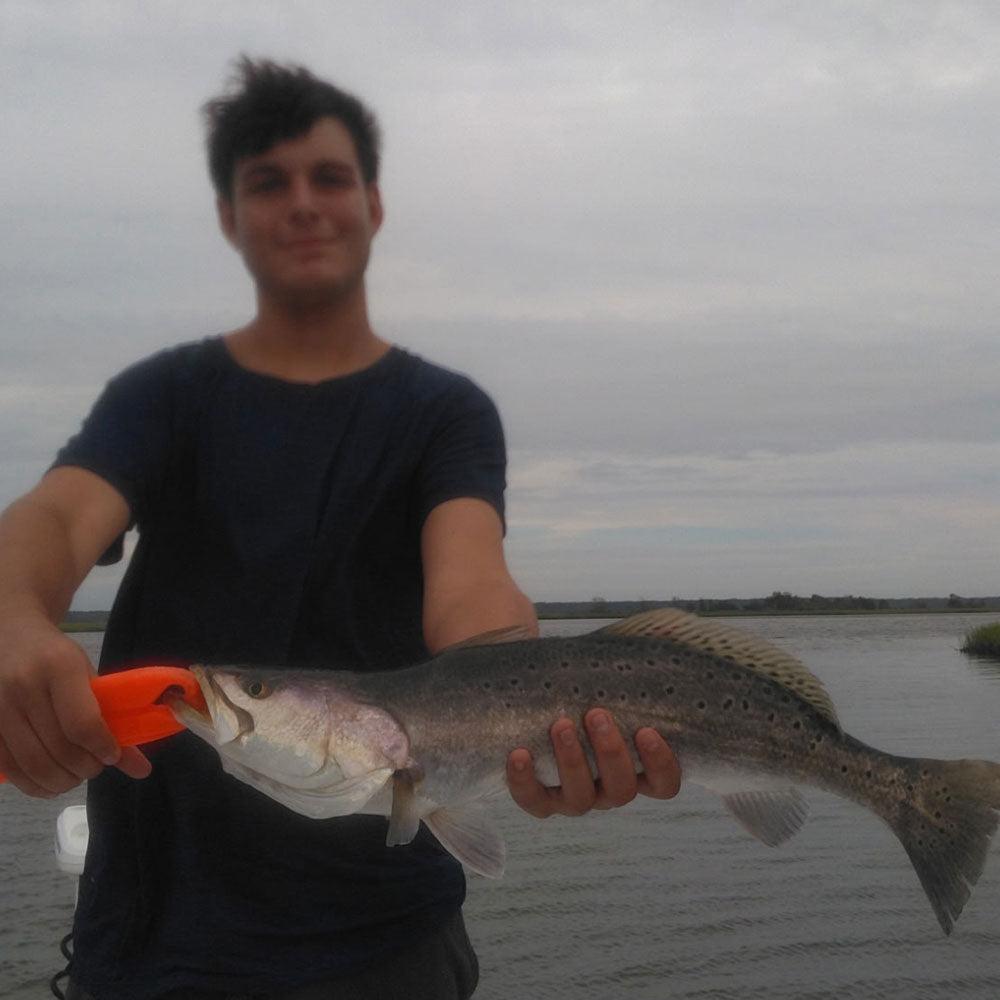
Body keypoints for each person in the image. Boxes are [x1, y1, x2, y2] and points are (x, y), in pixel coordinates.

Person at [0, 58, 680, 999]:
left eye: (329, 177)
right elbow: (57, 514)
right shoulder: (164, 398)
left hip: (388, 942)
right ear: (230, 218)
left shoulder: (442, 414)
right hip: (157, 939)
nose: (303, 204)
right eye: (267, 182)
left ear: (373, 204)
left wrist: (532, 702)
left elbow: (472, 577)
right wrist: (12, 617)